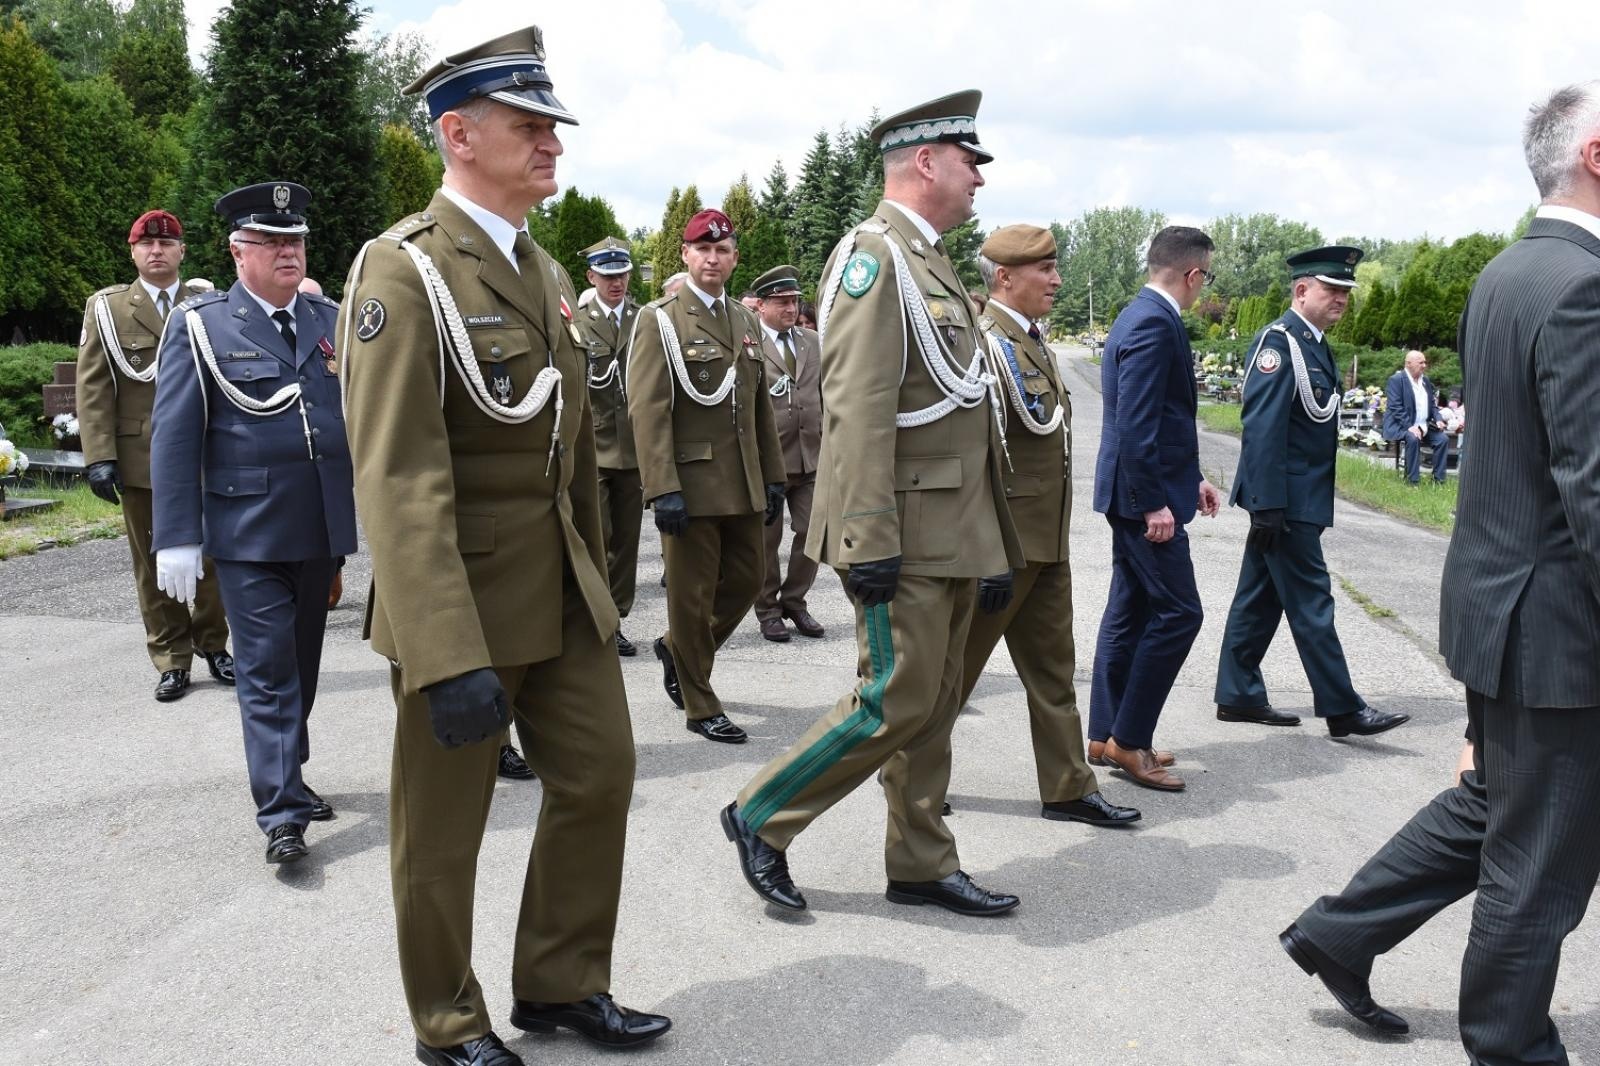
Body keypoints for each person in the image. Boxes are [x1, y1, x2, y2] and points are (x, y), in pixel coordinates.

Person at [338, 28, 669, 1065]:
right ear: (458, 133)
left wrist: (595, 585)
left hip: (557, 590)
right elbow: (397, 476)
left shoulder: (543, 265)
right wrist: (443, 650)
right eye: (529, 128)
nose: (551, 147)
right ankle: (447, 1021)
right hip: (463, 604)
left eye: (552, 128)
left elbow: (566, 450)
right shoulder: (404, 271)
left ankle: (562, 982)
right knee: (441, 831)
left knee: (602, 773)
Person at [1282, 81, 1600, 1063]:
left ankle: (1341, 931)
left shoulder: (1510, 270)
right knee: (1538, 855)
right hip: (1556, 624)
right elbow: (1592, 485)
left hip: (1502, 605)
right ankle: (1507, 1045)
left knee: (1501, 807)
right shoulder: (1583, 284)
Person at [722, 90, 1025, 918]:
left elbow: (967, 416)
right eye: (971, 163)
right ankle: (760, 815)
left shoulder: (930, 262)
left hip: (956, 531)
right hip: (905, 528)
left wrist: (993, 544)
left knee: (933, 703)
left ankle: (922, 861)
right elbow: (853, 408)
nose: (978, 182)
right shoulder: (874, 258)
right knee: (895, 697)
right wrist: (864, 537)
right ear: (927, 162)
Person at [149, 182, 354, 862]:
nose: (288, 252)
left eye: (295, 240)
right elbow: (174, 434)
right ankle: (282, 814)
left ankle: (287, 769)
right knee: (266, 669)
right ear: (239, 252)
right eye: (271, 241)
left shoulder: (329, 318)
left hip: (321, 524)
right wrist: (175, 534)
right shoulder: (202, 325)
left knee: (302, 663)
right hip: (249, 530)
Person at [956, 224, 1139, 826]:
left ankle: (1066, 788)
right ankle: (911, 776)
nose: (1057, 280)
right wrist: (983, 550)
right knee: (952, 677)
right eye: (1046, 270)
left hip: (1045, 542)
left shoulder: (1031, 341)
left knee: (1054, 672)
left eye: (1055, 268)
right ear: (1005, 277)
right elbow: (973, 457)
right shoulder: (982, 345)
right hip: (1002, 547)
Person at [1213, 247, 1408, 738]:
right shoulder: (1280, 343)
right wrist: (1267, 505)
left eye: (1346, 291)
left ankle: (1238, 694)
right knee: (1313, 601)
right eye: (1333, 290)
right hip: (1285, 502)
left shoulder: (1315, 344)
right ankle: (1342, 708)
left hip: (1298, 499)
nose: (1342, 299)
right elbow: (1262, 428)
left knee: (1259, 598)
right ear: (1302, 290)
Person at [627, 208, 786, 744]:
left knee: (746, 580)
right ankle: (699, 701)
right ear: (686, 255)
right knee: (691, 596)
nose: (713, 258)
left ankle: (678, 650)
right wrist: (662, 488)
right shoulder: (661, 318)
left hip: (741, 480)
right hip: (690, 485)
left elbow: (760, 404)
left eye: (722, 250)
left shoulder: (744, 320)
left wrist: (773, 474)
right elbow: (647, 410)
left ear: (734, 258)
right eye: (703, 249)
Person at [75, 209, 233, 703]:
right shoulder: (109, 309)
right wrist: (99, 455)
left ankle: (214, 643)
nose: (157, 251)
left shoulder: (209, 302)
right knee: (154, 562)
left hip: (206, 454)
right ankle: (172, 658)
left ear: (182, 251)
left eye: (167, 244)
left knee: (212, 556)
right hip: (140, 456)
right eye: (147, 244)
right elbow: (94, 386)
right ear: (134, 252)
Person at [1088, 226, 1222, 791]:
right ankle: (1129, 740)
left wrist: (1190, 479)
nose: (1203, 287)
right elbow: (1136, 424)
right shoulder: (1150, 321)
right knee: (1179, 613)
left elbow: (1162, 419)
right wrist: (1153, 506)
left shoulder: (1141, 314)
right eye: (1206, 277)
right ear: (1193, 274)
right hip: (1141, 500)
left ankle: (1104, 734)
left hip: (1146, 490)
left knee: (1131, 610)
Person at [750, 264, 826, 643]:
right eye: (781, 302)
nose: (791, 308)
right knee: (766, 540)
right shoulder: (748, 344)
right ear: (761, 306)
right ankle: (767, 610)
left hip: (811, 456)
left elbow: (825, 392)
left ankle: (795, 600)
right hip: (769, 461)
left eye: (794, 301)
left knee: (812, 531)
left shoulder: (811, 342)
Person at [576, 237, 644, 656]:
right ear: (592, 277)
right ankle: (593, 615)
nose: (615, 282)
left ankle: (616, 616)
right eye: (607, 275)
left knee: (627, 541)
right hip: (595, 446)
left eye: (621, 275)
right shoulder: (579, 323)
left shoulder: (645, 321)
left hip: (635, 449)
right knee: (596, 537)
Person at [1382, 349, 1450, 484]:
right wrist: (1410, 426)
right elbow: (1395, 407)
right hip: (1401, 425)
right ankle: (1412, 481)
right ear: (1408, 364)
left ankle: (1438, 480)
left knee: (1442, 439)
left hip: (1423, 425)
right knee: (1413, 438)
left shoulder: (1425, 380)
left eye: (1425, 362)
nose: (1424, 365)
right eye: (1421, 363)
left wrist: (1438, 419)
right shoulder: (1396, 380)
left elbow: (1432, 404)